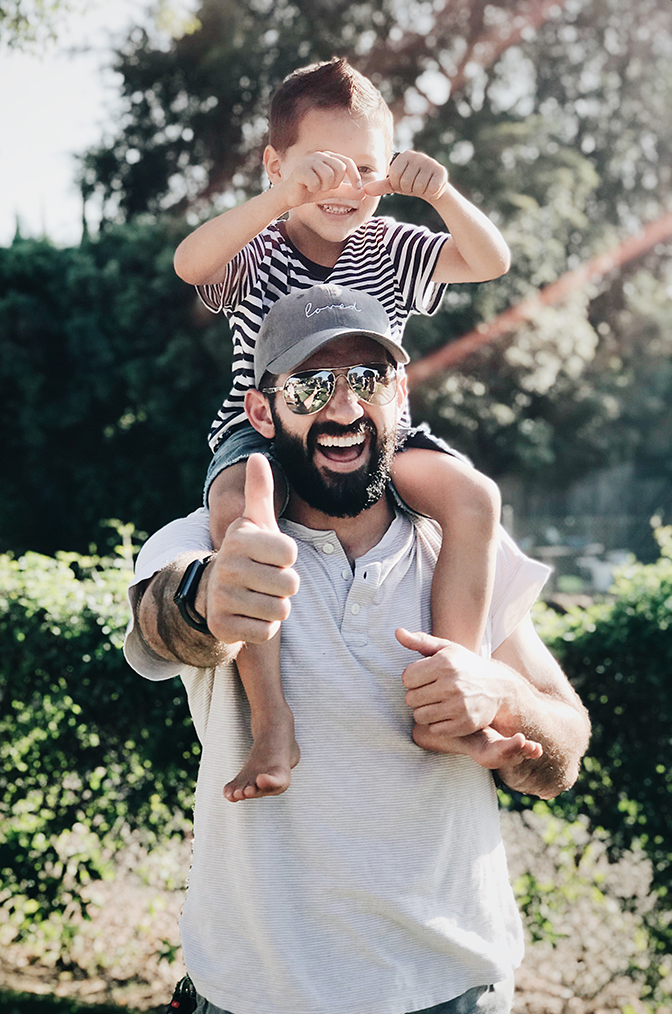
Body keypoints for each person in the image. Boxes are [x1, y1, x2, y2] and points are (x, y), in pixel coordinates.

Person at [125, 286, 591, 1014]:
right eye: (311, 386)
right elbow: (163, 620)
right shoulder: (211, 542)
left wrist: (504, 699)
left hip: (456, 992)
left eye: (367, 380)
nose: (343, 408)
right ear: (262, 411)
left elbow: (566, 748)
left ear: (400, 396)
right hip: (258, 998)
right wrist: (208, 599)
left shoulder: (461, 547)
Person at [172, 57, 511, 802]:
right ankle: (272, 723)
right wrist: (276, 202)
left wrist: (443, 193)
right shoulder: (257, 249)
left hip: (376, 438)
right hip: (260, 433)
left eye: (365, 167)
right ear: (276, 165)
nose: (344, 187)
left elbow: (491, 261)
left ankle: (447, 690)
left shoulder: (390, 244)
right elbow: (190, 263)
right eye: (320, 170)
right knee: (241, 517)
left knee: (474, 497)